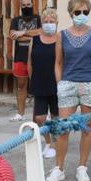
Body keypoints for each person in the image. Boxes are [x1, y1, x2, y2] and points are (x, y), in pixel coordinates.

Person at [48, 0, 91, 181]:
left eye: (85, 12)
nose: (82, 15)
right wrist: (60, 83)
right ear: (71, 13)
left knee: (87, 129)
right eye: (78, 12)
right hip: (68, 84)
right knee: (63, 128)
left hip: (90, 84)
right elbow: (58, 62)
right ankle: (59, 168)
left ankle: (82, 167)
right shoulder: (62, 35)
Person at [27, 8, 61, 159]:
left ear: (56, 23)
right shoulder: (34, 40)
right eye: (45, 22)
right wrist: (32, 80)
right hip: (39, 83)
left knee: (56, 116)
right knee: (40, 117)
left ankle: (55, 144)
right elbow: (29, 63)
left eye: (51, 22)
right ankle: (47, 142)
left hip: (56, 83)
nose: (48, 24)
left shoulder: (61, 40)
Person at [8, 0, 41, 122]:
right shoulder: (15, 20)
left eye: (28, 4)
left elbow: (41, 32)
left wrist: (22, 32)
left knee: (39, 85)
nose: (26, 7)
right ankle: (20, 113)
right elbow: (13, 36)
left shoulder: (38, 18)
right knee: (21, 86)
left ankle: (42, 112)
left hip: (36, 56)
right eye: (24, 5)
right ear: (21, 6)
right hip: (20, 57)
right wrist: (32, 36)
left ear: (32, 5)